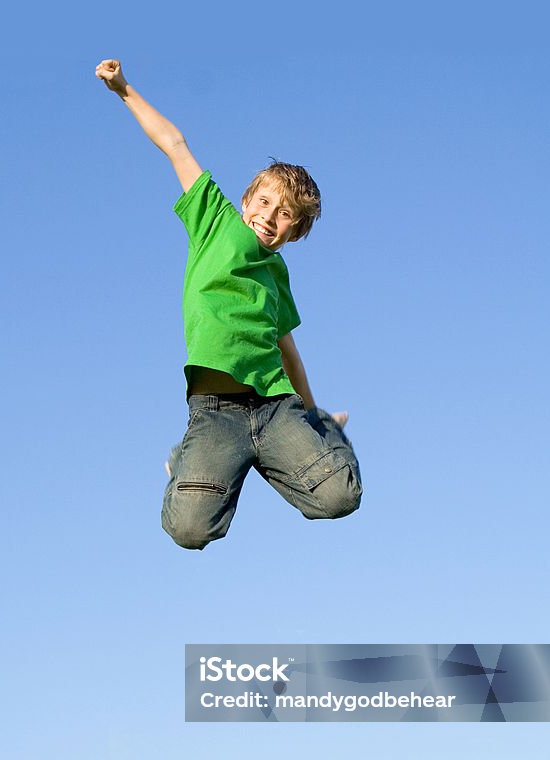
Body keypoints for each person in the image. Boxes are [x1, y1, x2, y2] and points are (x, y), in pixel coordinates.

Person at [95, 59, 362, 550]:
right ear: (245, 200)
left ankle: (320, 433)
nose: (269, 217)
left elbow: (287, 349)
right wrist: (123, 89)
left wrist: (313, 412)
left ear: (295, 232)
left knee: (340, 496)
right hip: (216, 411)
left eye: (285, 215)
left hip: (276, 409)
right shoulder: (215, 223)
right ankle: (192, 462)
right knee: (189, 531)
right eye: (263, 202)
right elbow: (175, 145)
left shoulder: (276, 274)